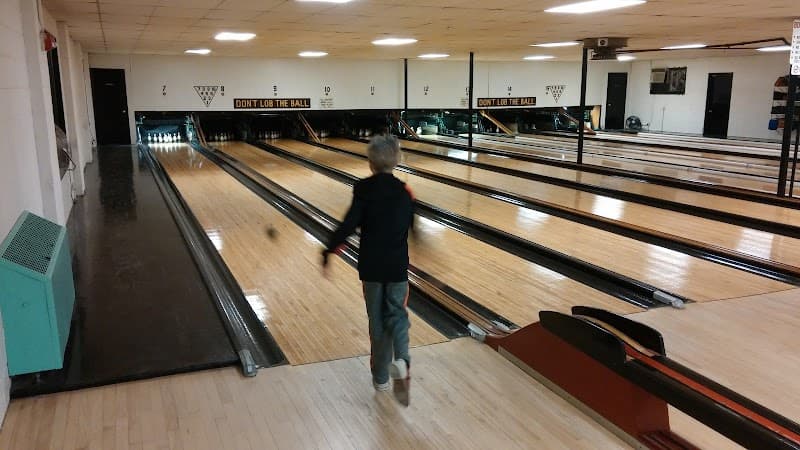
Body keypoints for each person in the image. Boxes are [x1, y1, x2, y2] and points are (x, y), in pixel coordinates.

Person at [321, 134, 413, 406]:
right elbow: (412, 225)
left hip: (371, 269)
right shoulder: (405, 191)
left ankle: (381, 378)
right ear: (396, 160)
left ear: (370, 163)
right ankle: (403, 361)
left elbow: (348, 225)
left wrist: (329, 250)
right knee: (398, 316)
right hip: (397, 267)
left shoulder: (362, 189)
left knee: (377, 322)